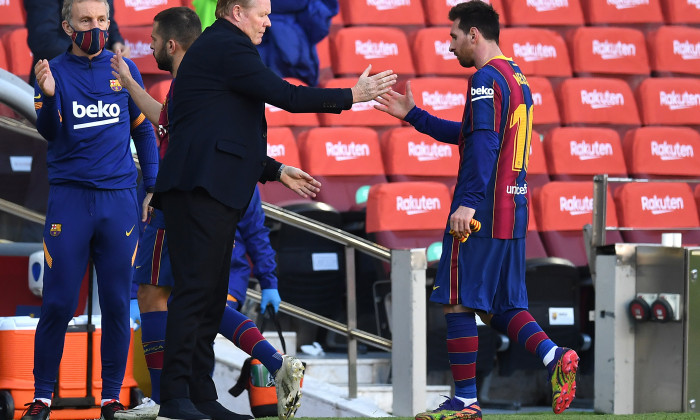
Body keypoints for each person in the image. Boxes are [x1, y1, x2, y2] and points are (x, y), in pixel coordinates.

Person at [151, 0, 396, 419]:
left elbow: (219, 129)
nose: (269, 20)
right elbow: (286, 96)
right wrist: (352, 96)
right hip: (199, 191)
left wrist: (274, 168)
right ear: (234, 12)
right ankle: (175, 399)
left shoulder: (223, 49)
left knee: (209, 298)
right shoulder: (227, 46)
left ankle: (201, 396)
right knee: (195, 295)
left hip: (208, 188)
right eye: (261, 13)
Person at [374, 2, 579, 420]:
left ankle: (465, 401)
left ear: (473, 35)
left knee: (458, 299)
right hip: (513, 207)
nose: (449, 47)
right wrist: (414, 115)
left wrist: (467, 203)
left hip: (482, 210)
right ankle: (554, 356)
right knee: (500, 305)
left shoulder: (485, 79)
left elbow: (483, 145)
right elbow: (472, 134)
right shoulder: (516, 75)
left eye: (452, 37)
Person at [20, 0, 159, 419]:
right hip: (70, 201)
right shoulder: (51, 71)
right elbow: (50, 133)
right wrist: (46, 97)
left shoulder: (125, 70)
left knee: (118, 304)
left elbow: (145, 131)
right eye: (86, 20)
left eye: (102, 20)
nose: (96, 27)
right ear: (67, 26)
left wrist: (152, 185)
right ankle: (42, 398)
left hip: (119, 202)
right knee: (59, 304)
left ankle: (112, 400)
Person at [24, 0, 131, 86]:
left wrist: (116, 42)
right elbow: (44, 42)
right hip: (57, 79)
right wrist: (94, 55)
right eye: (85, 21)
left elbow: (107, 19)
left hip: (103, 76)